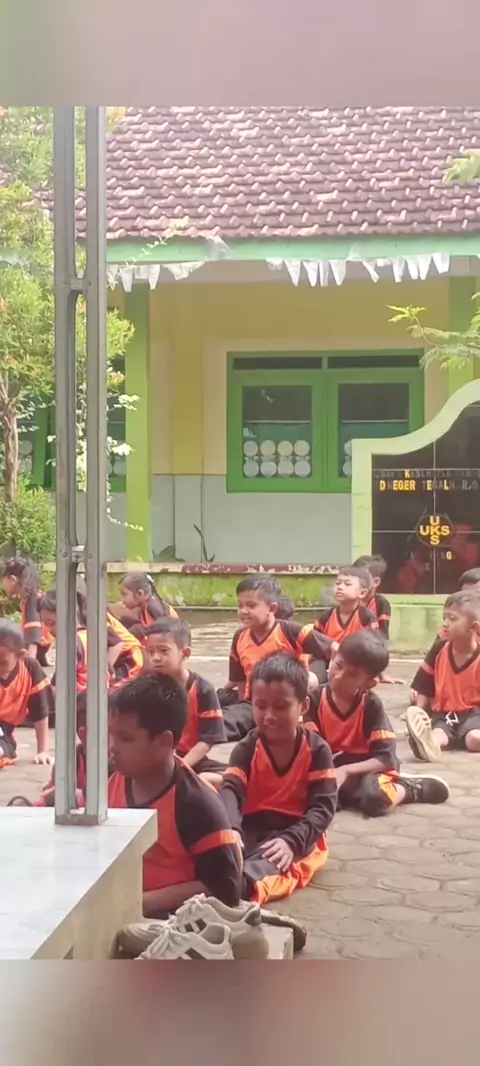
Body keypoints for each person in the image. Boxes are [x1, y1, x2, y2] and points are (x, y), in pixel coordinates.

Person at [108, 673, 242, 916]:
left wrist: (140, 903)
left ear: (163, 742)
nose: (112, 747)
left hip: (172, 920)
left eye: (125, 738)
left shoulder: (196, 804)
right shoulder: (110, 778)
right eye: (111, 735)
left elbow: (227, 887)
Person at [220, 654, 337, 904]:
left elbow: (323, 808)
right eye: (261, 706)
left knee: (244, 881)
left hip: (297, 836)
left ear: (303, 706)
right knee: (212, 861)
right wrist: (232, 829)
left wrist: (291, 841)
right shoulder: (246, 748)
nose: (269, 715)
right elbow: (231, 789)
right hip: (251, 829)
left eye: (281, 707)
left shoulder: (317, 750)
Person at [305, 631, 448, 815]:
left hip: (368, 769)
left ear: (369, 684)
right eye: (338, 665)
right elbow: (311, 750)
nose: (339, 676)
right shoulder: (312, 701)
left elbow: (385, 758)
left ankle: (409, 788)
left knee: (376, 799)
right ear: (333, 656)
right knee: (311, 796)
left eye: (352, 675)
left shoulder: (370, 705)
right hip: (330, 767)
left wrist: (346, 771)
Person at [223, 575, 333, 741]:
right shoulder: (239, 637)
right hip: (255, 703)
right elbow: (240, 681)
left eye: (251, 606)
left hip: (287, 701)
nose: (243, 611)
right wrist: (243, 708)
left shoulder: (290, 630)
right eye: (240, 605)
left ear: (272, 608)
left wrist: (331, 684)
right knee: (220, 717)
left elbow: (334, 649)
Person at [144, 618, 227, 773]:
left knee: (230, 777)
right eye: (151, 652)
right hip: (152, 758)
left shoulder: (202, 689)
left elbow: (208, 739)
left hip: (190, 759)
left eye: (163, 651)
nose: (155, 657)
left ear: (185, 653)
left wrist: (182, 766)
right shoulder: (144, 688)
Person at [406, 591, 480, 762]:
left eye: (452, 619)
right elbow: (424, 686)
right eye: (444, 618)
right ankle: (427, 746)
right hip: (445, 714)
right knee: (437, 735)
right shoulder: (439, 649)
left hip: (475, 714)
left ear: (474, 627)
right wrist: (417, 713)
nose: (445, 623)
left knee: (474, 739)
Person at [0, 621, 53, 769]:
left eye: (2, 662)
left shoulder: (30, 669)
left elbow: (40, 712)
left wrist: (42, 751)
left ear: (21, 656)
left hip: (3, 732)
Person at [0, 557, 53, 664]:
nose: (2, 585)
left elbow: (34, 633)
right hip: (39, 648)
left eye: (2, 581)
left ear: (13, 580)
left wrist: (29, 664)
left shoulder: (31, 600)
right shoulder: (30, 596)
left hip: (33, 650)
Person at [314, 566, 378, 647]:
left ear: (362, 593)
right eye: (338, 583)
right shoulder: (326, 617)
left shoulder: (366, 617)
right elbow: (315, 641)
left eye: (347, 584)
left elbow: (372, 646)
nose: (340, 587)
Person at [353, 555, 391, 638]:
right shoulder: (350, 600)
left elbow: (383, 635)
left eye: (362, 578)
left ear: (376, 582)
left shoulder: (381, 603)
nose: (357, 582)